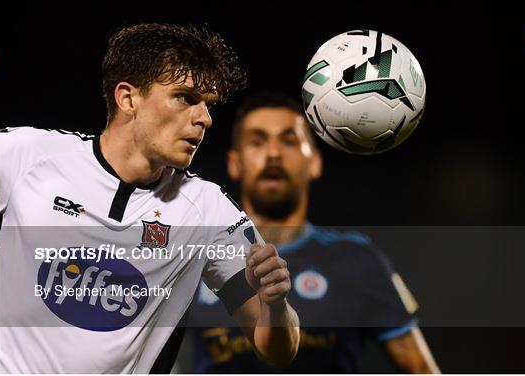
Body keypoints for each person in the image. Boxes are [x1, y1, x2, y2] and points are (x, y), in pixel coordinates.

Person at [0, 24, 299, 373]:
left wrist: (276, 304)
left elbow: (277, 349)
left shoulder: (207, 210)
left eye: (208, 105)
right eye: (185, 98)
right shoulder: (26, 156)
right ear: (128, 98)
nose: (205, 118)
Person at [182, 92, 440, 373]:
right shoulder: (199, 256)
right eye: (257, 142)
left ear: (315, 162)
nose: (273, 154)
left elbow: (422, 369)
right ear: (234, 163)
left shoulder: (357, 259)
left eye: (289, 140)